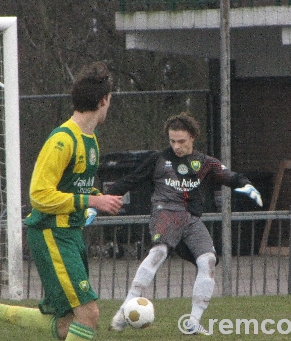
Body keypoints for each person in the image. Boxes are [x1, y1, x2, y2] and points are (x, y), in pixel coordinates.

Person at [0, 61, 123, 341]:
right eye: (110, 100)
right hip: (51, 234)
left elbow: (72, 187)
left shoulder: (91, 140)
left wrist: (97, 197)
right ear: (103, 99)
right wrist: (92, 202)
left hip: (70, 234)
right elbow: (39, 195)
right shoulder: (62, 140)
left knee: (65, 324)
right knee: (89, 314)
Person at [107, 112, 263, 335]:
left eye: (181, 141)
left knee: (208, 261)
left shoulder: (205, 163)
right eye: (172, 141)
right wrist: (99, 201)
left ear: (192, 138)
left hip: (190, 219)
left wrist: (247, 185)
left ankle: (193, 321)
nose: (176, 146)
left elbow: (229, 175)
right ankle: (123, 311)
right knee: (158, 252)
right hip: (166, 212)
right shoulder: (158, 159)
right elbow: (129, 180)